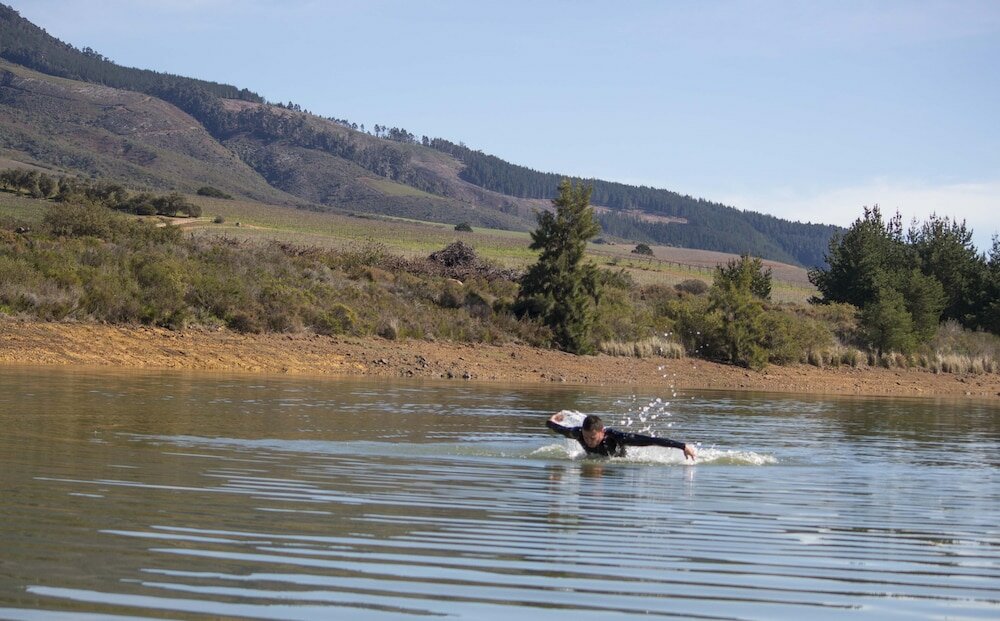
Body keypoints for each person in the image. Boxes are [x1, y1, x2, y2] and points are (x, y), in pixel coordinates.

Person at [547, 412, 697, 460]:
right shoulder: (578, 433)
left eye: (593, 438)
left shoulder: (616, 437)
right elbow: (555, 427)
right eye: (586, 437)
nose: (588, 441)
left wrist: (682, 446)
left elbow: (650, 440)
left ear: (602, 432)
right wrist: (552, 419)